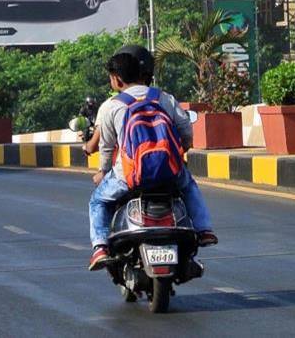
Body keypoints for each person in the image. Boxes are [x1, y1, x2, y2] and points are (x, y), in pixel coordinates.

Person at [88, 46, 218, 271]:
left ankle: (100, 246)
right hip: (169, 170)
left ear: (117, 79)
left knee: (98, 201)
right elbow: (185, 129)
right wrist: (180, 151)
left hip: (129, 175)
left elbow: (107, 147)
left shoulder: (113, 106)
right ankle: (204, 230)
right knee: (188, 186)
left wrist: (103, 171)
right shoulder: (164, 98)